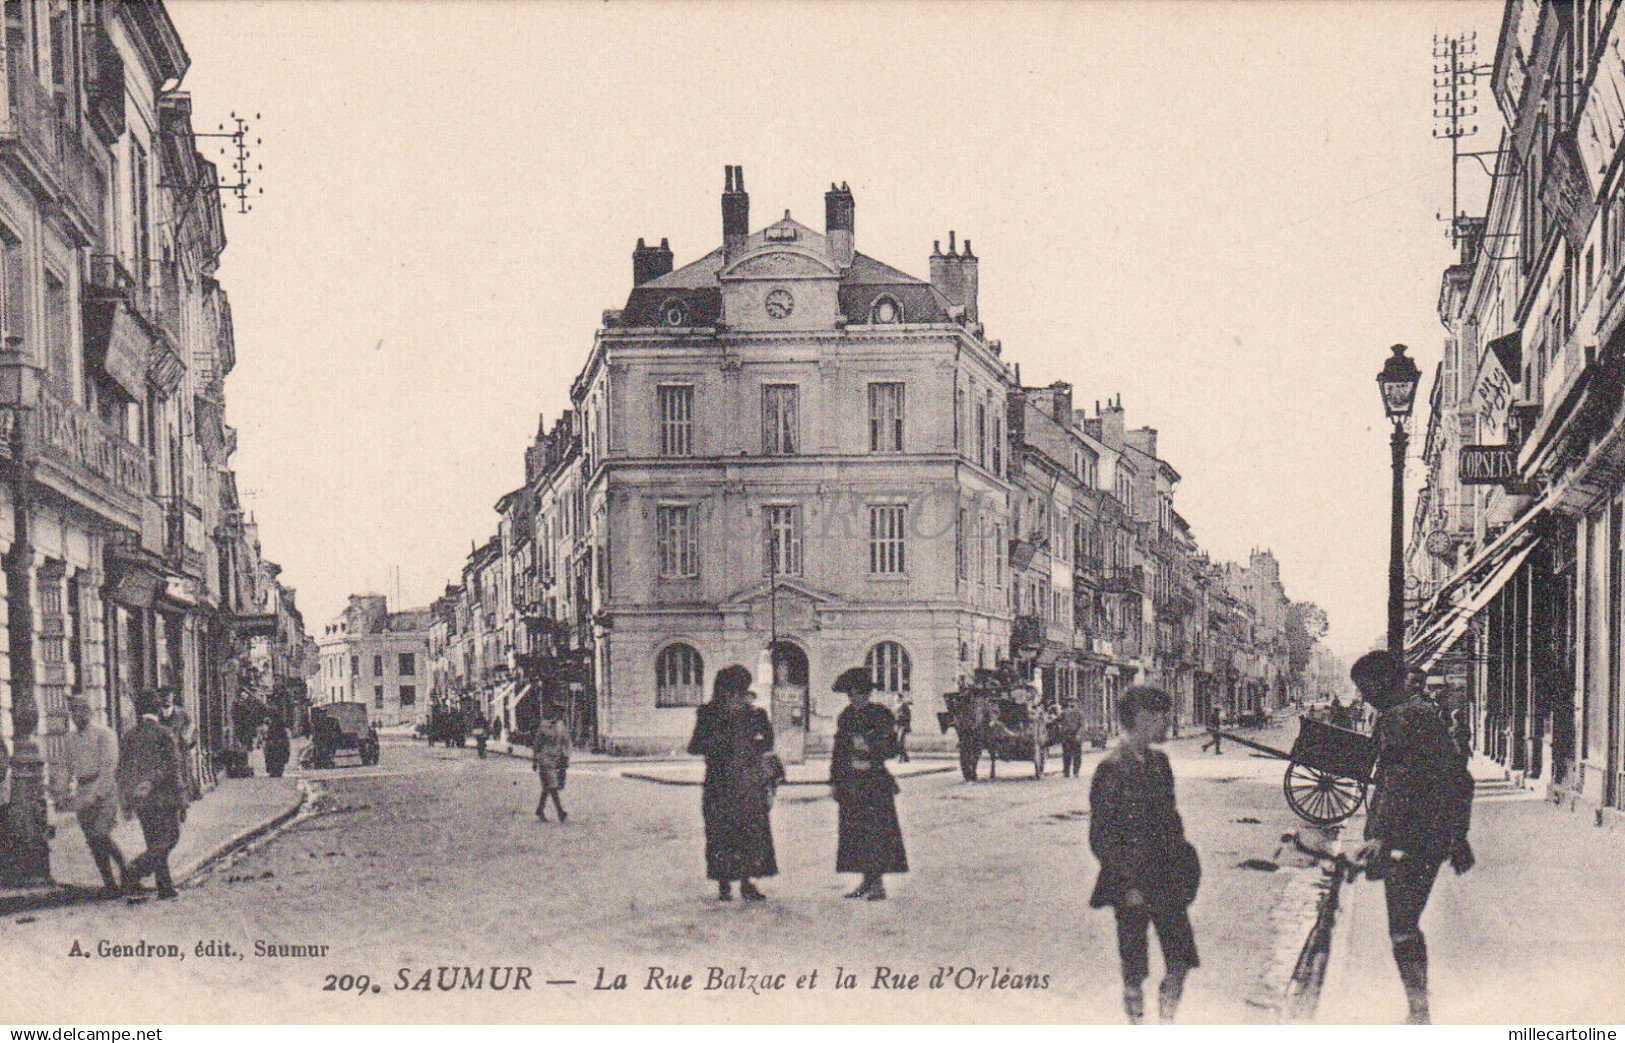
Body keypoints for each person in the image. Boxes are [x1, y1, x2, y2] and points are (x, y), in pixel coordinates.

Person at [1349, 650, 1474, 1025]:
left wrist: (1380, 837)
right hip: (1432, 835)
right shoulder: (1424, 713)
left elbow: (1398, 782)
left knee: (1402, 927)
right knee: (1406, 923)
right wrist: (1458, 835)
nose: (1364, 696)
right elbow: (1458, 777)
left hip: (1411, 837)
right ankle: (1418, 1009)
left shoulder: (1398, 718)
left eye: (1366, 687)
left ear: (1383, 683)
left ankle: (1419, 1014)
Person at [1088, 685, 1200, 1024]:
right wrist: (1128, 884)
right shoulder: (1111, 768)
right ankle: (1136, 1024)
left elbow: (1172, 821)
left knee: (1180, 958)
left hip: (1166, 877)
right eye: (1162, 716)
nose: (1167, 723)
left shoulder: (1160, 763)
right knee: (1134, 968)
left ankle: (1166, 1022)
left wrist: (1184, 869)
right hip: (1131, 880)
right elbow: (1101, 836)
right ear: (1142, 718)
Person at [687, 665, 777, 901]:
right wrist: (721, 731)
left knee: (751, 834)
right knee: (720, 833)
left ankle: (749, 884)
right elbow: (695, 746)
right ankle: (724, 884)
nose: (736, 696)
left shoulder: (755, 715)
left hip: (749, 785)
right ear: (723, 692)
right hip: (720, 785)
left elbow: (768, 744)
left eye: (740, 691)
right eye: (732, 691)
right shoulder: (709, 715)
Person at [830, 666, 908, 900]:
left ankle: (878, 884)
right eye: (851, 694)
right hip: (851, 782)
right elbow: (838, 751)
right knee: (855, 833)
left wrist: (870, 746)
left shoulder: (881, 715)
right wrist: (834, 780)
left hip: (874, 782)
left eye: (858, 694)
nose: (854, 698)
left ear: (867, 693)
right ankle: (866, 880)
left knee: (876, 833)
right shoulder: (846, 716)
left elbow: (892, 748)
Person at [117, 690, 187, 902]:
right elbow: (173, 766)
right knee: (170, 838)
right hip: (165, 798)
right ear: (157, 710)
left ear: (138, 711)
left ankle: (165, 887)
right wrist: (182, 800)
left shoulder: (130, 736)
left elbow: (123, 770)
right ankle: (135, 869)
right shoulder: (165, 734)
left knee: (154, 841)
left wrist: (128, 799)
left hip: (142, 801)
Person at [66, 695, 126, 898]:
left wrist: (98, 793)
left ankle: (125, 870)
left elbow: (109, 767)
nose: (77, 715)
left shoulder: (104, 734)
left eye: (81, 710)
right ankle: (109, 883)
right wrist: (69, 792)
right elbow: (68, 767)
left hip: (103, 790)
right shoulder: (71, 739)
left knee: (101, 834)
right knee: (93, 841)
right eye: (73, 711)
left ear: (90, 712)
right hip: (83, 791)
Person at [159, 690, 199, 803]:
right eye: (164, 696)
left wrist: (187, 739)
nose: (167, 699)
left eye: (169, 696)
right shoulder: (157, 714)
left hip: (180, 751)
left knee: (182, 777)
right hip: (163, 753)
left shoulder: (181, 713)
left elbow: (192, 728)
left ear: (173, 697)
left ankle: (183, 803)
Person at [533, 707, 570, 823]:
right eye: (558, 712)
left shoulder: (561, 726)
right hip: (545, 759)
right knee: (552, 785)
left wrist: (565, 759)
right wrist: (534, 760)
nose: (560, 715)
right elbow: (537, 744)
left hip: (557, 759)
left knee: (547, 787)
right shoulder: (543, 726)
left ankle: (540, 809)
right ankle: (560, 812)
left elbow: (565, 743)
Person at [1058, 699, 1085, 778]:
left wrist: (1079, 735)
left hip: (1075, 734)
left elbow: (1082, 725)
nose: (1072, 704)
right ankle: (1066, 772)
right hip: (1066, 735)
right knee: (1066, 754)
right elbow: (1059, 721)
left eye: (1074, 702)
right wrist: (1061, 728)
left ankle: (1076, 771)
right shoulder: (1064, 713)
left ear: (1077, 704)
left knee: (1077, 754)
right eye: (1070, 702)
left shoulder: (1080, 713)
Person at [263, 712, 291, 779]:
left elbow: (267, 736)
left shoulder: (271, 726)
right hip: (280, 743)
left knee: (271, 755)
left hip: (274, 743)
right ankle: (278, 770)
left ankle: (273, 770)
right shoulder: (281, 726)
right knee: (279, 756)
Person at [894, 697, 912, 763]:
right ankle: (905, 757)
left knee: (899, 741)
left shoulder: (903, 706)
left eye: (897, 698)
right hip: (898, 726)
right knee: (899, 742)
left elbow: (907, 717)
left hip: (903, 726)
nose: (895, 699)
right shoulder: (897, 706)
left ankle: (901, 758)